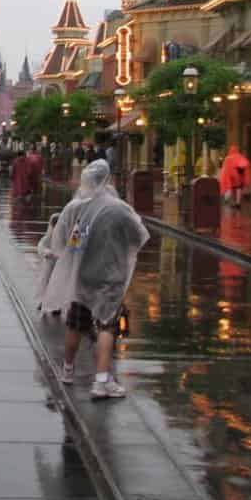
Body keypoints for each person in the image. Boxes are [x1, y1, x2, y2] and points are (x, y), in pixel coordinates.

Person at [40, 160, 149, 400]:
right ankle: (101, 382)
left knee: (75, 322)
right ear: (108, 178)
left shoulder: (79, 207)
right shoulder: (119, 208)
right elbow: (139, 236)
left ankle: (67, 370)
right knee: (107, 326)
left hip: (83, 273)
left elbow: (64, 240)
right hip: (110, 276)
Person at [219, 145, 251, 209]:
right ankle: (238, 203)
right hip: (238, 176)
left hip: (229, 177)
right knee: (238, 188)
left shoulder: (227, 158)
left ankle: (231, 201)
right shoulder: (240, 157)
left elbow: (224, 169)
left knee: (231, 189)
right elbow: (246, 164)